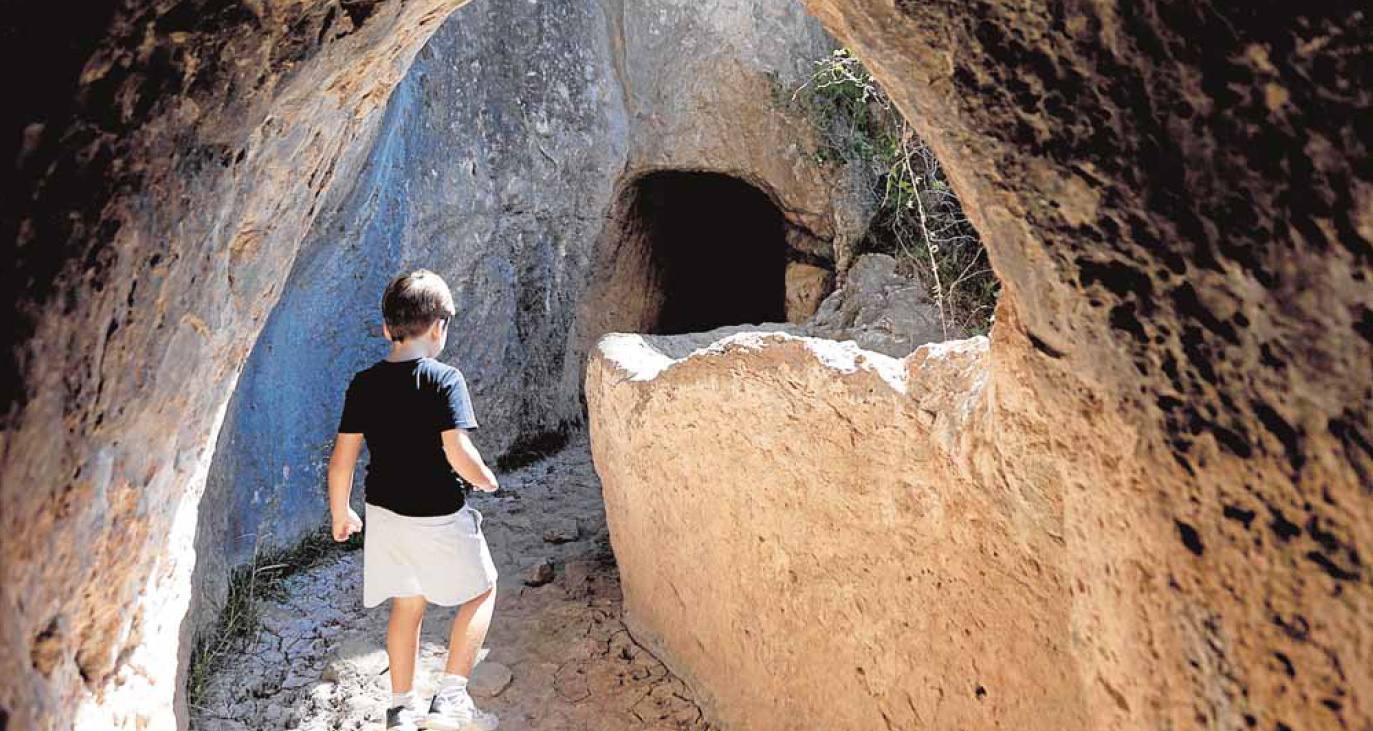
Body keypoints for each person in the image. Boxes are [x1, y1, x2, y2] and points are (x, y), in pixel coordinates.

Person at [326, 269, 501, 731]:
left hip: (384, 514)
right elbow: (457, 451)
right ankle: (451, 698)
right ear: (440, 327)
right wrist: (484, 480)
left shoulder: (364, 383)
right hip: (439, 511)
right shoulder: (446, 379)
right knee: (483, 589)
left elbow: (341, 460)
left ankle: (402, 708)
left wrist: (340, 511)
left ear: (387, 329)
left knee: (407, 605)